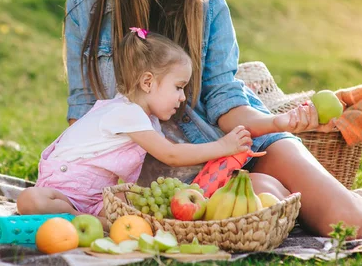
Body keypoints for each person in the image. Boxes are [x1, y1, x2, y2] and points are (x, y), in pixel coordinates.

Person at [57, 0, 362, 238]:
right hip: (161, 168)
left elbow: (224, 102)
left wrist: (279, 121)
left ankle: (350, 199)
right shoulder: (86, 6)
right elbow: (84, 105)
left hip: (231, 141)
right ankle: (273, 192)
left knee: (346, 221)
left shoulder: (208, 7)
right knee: (255, 208)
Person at [17, 29, 254, 221]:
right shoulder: (125, 113)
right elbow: (171, 154)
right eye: (179, 87)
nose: (182, 98)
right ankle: (77, 217)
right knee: (29, 200)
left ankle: (85, 219)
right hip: (64, 189)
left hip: (95, 197)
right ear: (148, 82)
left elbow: (171, 155)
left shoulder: (146, 121)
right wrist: (224, 146)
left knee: (138, 213)